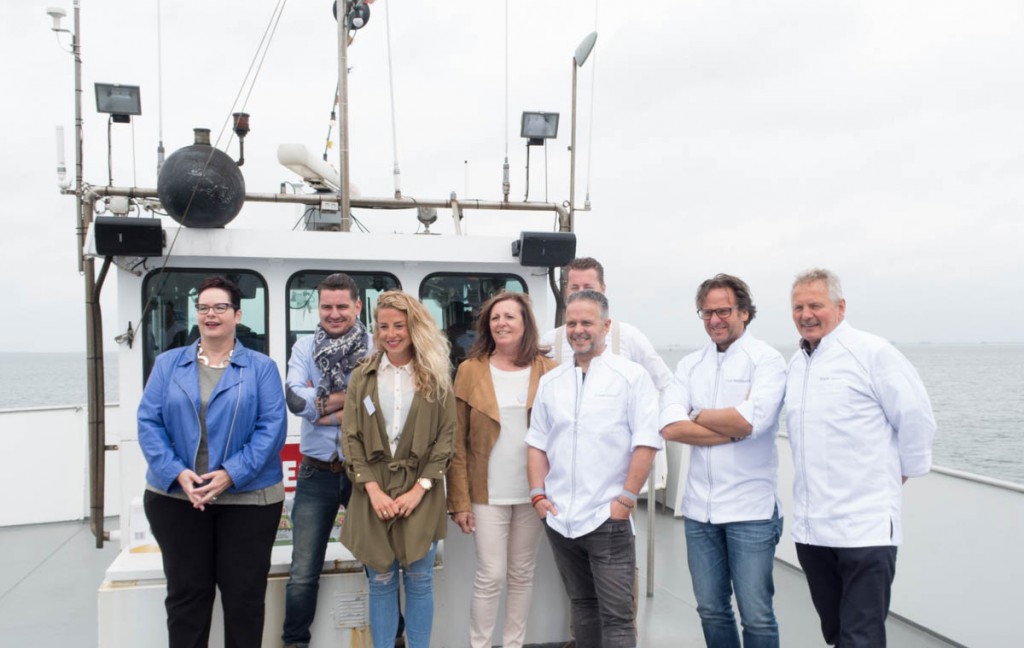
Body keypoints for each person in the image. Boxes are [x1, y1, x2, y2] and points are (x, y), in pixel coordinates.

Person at [785, 269, 936, 647]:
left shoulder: (874, 353)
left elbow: (917, 419)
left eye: (815, 305)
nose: (806, 314)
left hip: (864, 530)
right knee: (836, 632)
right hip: (812, 530)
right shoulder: (797, 363)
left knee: (861, 637)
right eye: (798, 306)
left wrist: (896, 476)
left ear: (840, 306)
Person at [138, 276, 287, 648]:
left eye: (220, 307)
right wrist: (175, 472)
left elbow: (272, 429)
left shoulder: (262, 368)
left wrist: (230, 474)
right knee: (187, 597)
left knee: (244, 600)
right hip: (178, 499)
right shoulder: (168, 364)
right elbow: (148, 422)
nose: (210, 314)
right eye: (203, 307)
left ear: (237, 315)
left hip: (249, 502)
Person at [526, 290, 662, 648]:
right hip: (559, 520)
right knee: (583, 606)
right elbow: (537, 442)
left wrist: (626, 500)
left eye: (587, 322)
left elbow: (646, 443)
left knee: (617, 617)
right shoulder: (551, 382)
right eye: (571, 323)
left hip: (608, 518)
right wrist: (538, 496)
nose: (578, 330)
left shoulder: (631, 377)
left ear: (606, 325)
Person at [659, 274, 787, 648]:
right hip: (699, 512)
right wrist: (728, 425)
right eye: (707, 312)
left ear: (744, 313)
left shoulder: (767, 361)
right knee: (711, 609)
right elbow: (668, 426)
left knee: (757, 616)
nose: (715, 319)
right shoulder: (690, 365)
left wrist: (695, 414)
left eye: (724, 311)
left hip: (751, 512)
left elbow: (751, 421)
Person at [341, 291, 456, 648]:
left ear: (414, 327)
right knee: (380, 579)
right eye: (383, 326)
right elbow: (351, 437)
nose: (390, 333)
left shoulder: (436, 376)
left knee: (420, 579)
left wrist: (419, 488)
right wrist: (372, 489)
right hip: (371, 490)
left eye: (398, 326)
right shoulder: (363, 375)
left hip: (419, 491)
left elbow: (446, 439)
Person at [446, 292, 558, 648]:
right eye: (495, 318)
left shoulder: (550, 371)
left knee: (522, 574)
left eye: (510, 316)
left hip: (533, 492)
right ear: (487, 325)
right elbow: (457, 443)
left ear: (525, 324)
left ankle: (513, 644)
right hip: (487, 493)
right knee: (490, 575)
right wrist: (459, 501)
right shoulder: (470, 370)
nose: (502, 323)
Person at [282, 273, 370, 648]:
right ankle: (295, 641)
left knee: (378, 561)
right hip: (315, 472)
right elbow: (295, 401)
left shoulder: (376, 347)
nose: (333, 314)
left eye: (341, 306)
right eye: (326, 307)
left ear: (358, 306)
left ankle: (391, 635)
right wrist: (350, 399)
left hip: (365, 472)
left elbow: (375, 407)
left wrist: (324, 408)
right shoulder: (304, 348)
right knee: (303, 570)